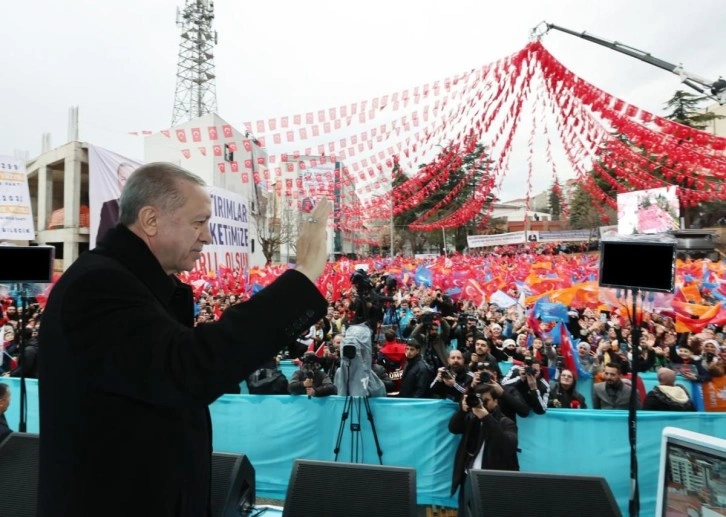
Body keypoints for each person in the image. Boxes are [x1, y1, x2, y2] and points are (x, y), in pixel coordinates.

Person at [38, 162, 331, 517]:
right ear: (150, 220)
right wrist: (301, 277)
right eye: (198, 222)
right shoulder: (98, 286)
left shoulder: (135, 284)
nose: (207, 236)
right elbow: (188, 367)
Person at [448, 382, 519, 517]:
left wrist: (486, 417)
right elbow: (453, 428)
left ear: (495, 402)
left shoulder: (506, 422)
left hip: (492, 483)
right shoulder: (471, 418)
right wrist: (462, 411)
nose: (482, 404)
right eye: (479, 400)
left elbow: (508, 446)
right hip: (468, 478)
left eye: (486, 401)